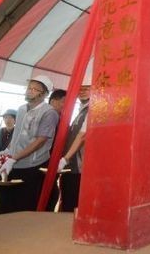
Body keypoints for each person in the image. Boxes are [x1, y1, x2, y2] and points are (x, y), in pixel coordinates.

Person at [0, 75, 59, 214]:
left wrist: (14, 158)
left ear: (44, 94)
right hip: (15, 163)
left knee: (24, 207)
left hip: (33, 166)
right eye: (29, 87)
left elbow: (40, 140)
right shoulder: (21, 109)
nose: (30, 91)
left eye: (35, 89)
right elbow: (17, 134)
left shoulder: (49, 112)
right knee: (6, 205)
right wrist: (7, 151)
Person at [57, 70, 92, 212]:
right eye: (80, 89)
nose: (82, 91)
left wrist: (65, 158)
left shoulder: (93, 108)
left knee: (73, 204)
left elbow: (83, 135)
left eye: (86, 88)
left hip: (79, 167)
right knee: (67, 201)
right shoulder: (81, 110)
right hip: (71, 166)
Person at [46, 88, 66, 210]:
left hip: (55, 161)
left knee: (53, 193)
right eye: (64, 101)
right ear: (53, 101)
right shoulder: (50, 115)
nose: (66, 105)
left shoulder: (61, 119)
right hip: (45, 160)